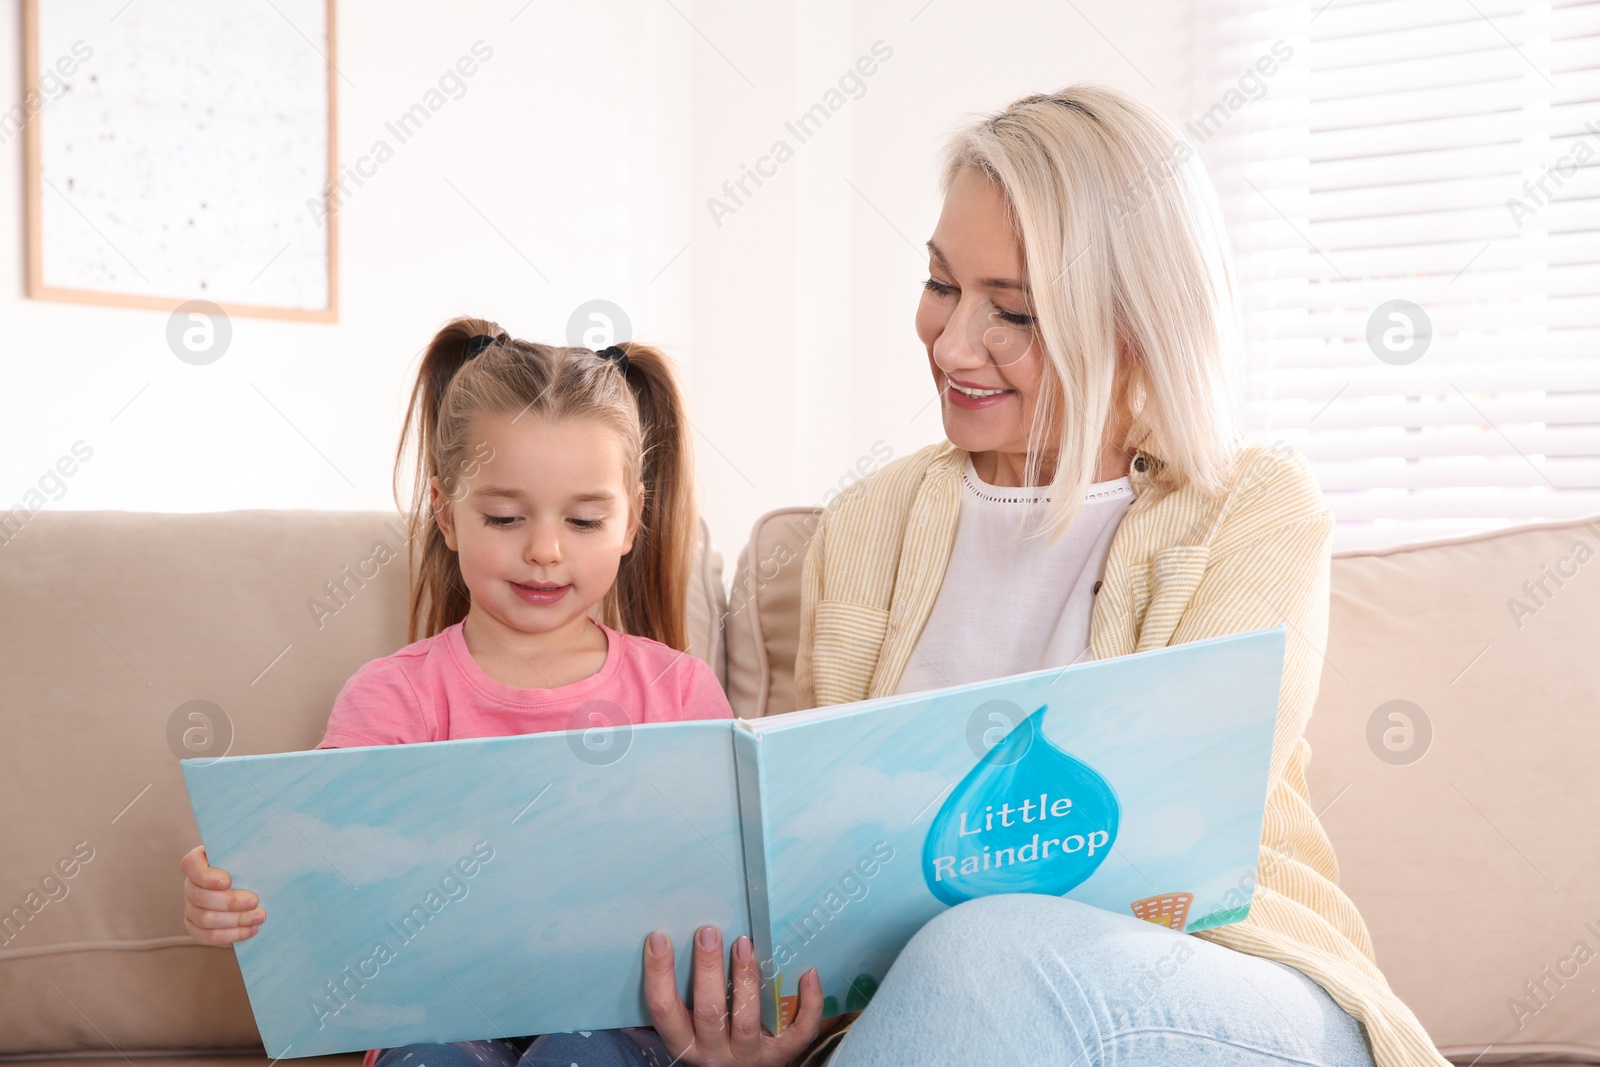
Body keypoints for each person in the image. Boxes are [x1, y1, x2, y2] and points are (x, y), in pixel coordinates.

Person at [639, 86, 1450, 1067]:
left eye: (1010, 312)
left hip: (1227, 987)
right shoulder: (865, 524)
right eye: (940, 285)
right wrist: (785, 1023)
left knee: (986, 944)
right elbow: (838, 880)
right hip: (966, 1016)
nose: (949, 344)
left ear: (1135, 326)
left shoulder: (1250, 506)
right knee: (971, 960)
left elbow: (1179, 847)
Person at [177, 317, 798, 1067]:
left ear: (633, 517)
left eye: (584, 518)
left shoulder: (678, 690)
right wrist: (235, 883)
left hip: (622, 1027)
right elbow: (315, 864)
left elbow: (733, 890)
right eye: (505, 517)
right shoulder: (394, 696)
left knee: (587, 1052)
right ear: (445, 512)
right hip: (435, 1025)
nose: (544, 548)